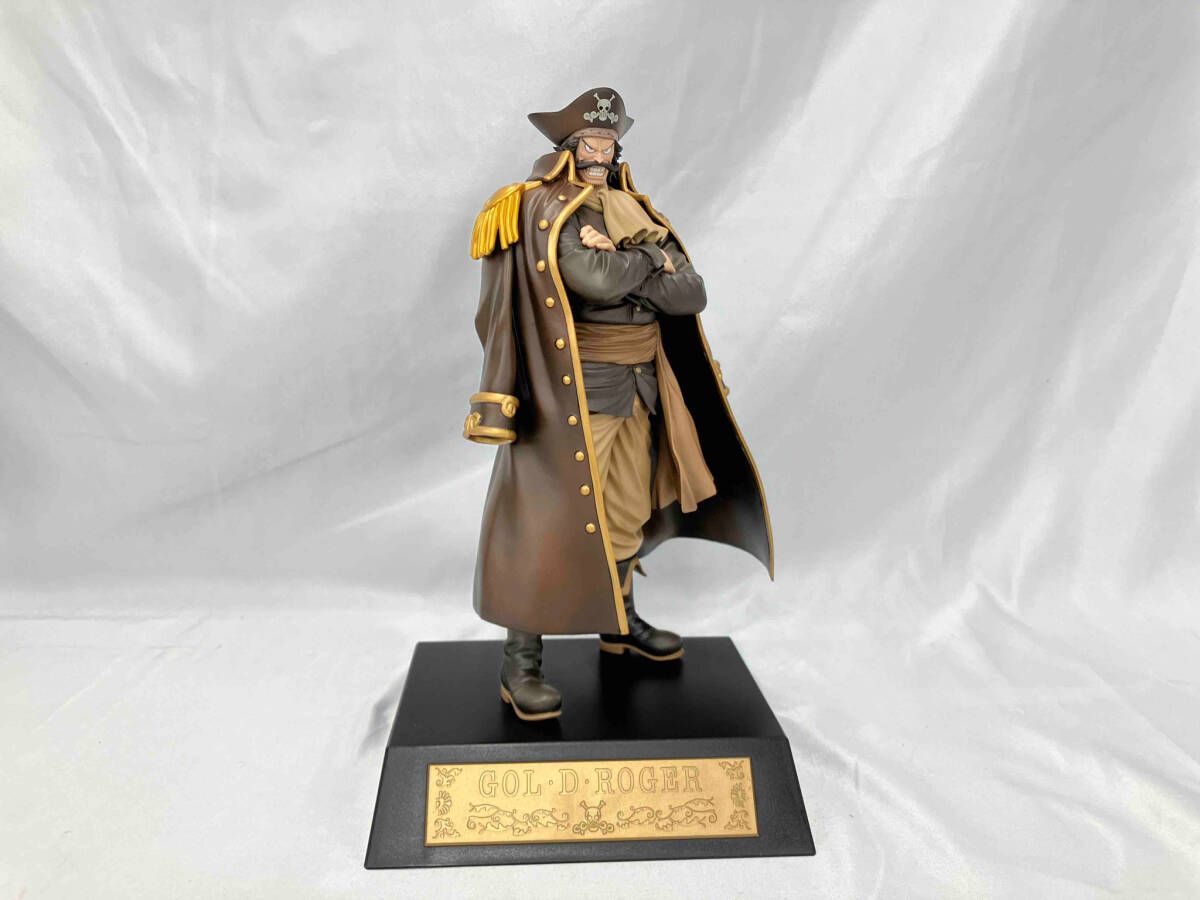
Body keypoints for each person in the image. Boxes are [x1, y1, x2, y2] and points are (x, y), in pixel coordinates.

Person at [465, 87, 772, 721]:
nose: (601, 154)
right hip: (574, 390)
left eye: (609, 142)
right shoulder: (543, 207)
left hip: (643, 384)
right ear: (568, 147)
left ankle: (619, 621)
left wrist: (637, 257)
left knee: (629, 509)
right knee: (548, 521)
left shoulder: (635, 208)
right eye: (591, 142)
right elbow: (592, 280)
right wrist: (650, 267)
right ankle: (521, 664)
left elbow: (691, 293)